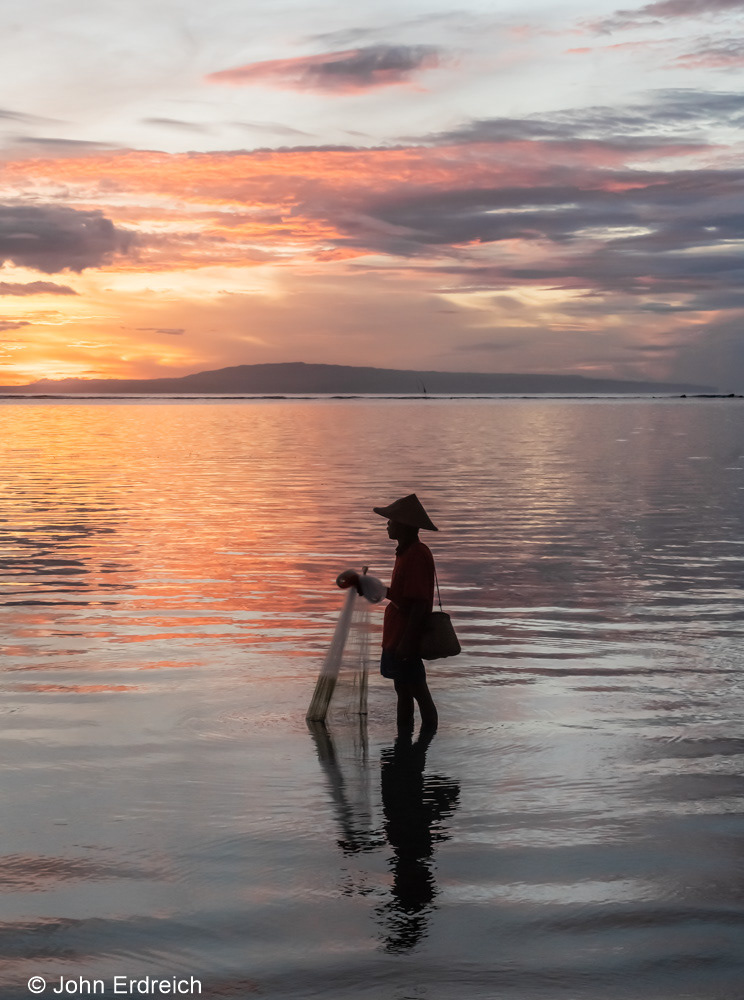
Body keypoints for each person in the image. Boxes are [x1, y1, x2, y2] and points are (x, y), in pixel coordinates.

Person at [339, 494, 439, 731]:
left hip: (404, 638)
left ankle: (423, 742)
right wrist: (370, 586)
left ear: (403, 525)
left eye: (391, 520)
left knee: (417, 691)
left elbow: (417, 605)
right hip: (397, 637)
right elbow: (404, 597)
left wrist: (406, 643)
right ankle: (405, 745)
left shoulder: (415, 554)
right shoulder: (405, 552)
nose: (388, 524)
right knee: (403, 691)